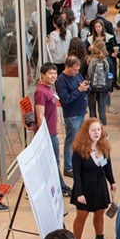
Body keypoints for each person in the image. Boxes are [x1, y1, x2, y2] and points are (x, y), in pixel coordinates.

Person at [70, 118, 115, 239]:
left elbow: (108, 166)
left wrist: (112, 182)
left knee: (100, 213)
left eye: (99, 129)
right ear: (86, 132)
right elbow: (76, 174)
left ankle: (99, 238)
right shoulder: (79, 150)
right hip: (84, 188)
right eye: (93, 130)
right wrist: (79, 193)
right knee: (82, 216)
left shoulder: (104, 146)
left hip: (99, 186)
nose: (97, 133)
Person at [35, 63, 72, 196]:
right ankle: (61, 186)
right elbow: (40, 116)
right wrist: (43, 135)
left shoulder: (48, 88)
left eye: (55, 73)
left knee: (53, 160)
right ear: (43, 75)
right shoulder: (40, 92)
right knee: (54, 161)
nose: (53, 76)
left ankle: (59, 185)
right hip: (48, 134)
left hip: (52, 131)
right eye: (50, 73)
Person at [57, 56, 89, 178]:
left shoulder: (77, 75)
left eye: (78, 70)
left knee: (79, 140)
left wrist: (86, 87)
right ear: (67, 67)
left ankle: (77, 163)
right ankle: (68, 167)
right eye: (74, 70)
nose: (76, 72)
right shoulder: (61, 80)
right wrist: (79, 90)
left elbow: (82, 88)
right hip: (72, 115)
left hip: (81, 112)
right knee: (71, 141)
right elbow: (65, 100)